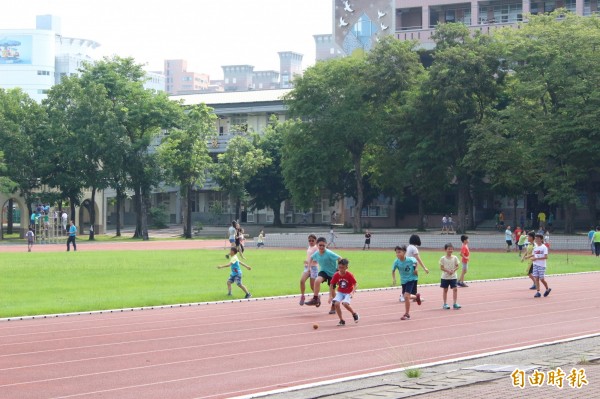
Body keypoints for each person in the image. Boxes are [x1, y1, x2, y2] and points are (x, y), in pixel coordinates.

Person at [304, 237, 342, 311]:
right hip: (324, 271)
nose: (321, 247)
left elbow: (340, 258)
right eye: (320, 245)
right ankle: (315, 298)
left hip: (332, 273)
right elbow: (311, 258)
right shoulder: (316, 253)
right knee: (317, 280)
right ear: (317, 245)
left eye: (323, 246)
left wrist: (338, 269)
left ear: (326, 245)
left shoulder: (329, 253)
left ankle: (333, 305)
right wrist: (309, 268)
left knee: (332, 291)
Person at [392, 245, 420, 320]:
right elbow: (393, 270)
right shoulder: (396, 262)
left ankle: (407, 314)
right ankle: (416, 297)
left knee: (406, 296)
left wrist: (416, 269)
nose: (397, 254)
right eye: (396, 252)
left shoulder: (410, 260)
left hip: (411, 279)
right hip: (403, 281)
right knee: (405, 296)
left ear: (404, 252)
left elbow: (416, 263)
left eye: (399, 252)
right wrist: (394, 279)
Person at [328, 258, 359, 326]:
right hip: (340, 292)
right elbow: (331, 284)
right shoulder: (336, 274)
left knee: (345, 303)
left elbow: (356, 284)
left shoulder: (349, 275)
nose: (341, 269)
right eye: (339, 267)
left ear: (346, 267)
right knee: (336, 304)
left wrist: (352, 292)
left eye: (342, 268)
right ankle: (341, 320)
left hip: (348, 292)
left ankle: (354, 314)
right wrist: (330, 296)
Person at [404, 234, 429, 302]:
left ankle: (408, 294)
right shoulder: (414, 248)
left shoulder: (408, 247)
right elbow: (418, 259)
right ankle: (414, 296)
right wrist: (424, 267)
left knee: (409, 281)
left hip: (407, 267)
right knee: (414, 280)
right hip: (412, 266)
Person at [528, 233, 551, 298]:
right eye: (536, 239)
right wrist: (530, 257)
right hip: (535, 265)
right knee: (537, 278)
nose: (537, 240)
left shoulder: (544, 247)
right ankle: (538, 292)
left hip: (541, 265)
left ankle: (547, 289)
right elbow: (533, 255)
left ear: (541, 239)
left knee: (542, 279)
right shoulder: (535, 247)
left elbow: (546, 257)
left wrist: (536, 258)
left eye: (538, 239)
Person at [440, 243, 461, 310]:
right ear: (446, 250)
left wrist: (453, 270)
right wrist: (448, 271)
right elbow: (441, 267)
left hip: (453, 276)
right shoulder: (443, 258)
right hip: (445, 277)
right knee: (445, 290)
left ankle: (455, 303)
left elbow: (457, 266)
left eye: (451, 249)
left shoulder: (455, 258)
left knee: (455, 289)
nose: (450, 250)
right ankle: (445, 304)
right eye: (449, 249)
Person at [299, 234, 319, 306]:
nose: (311, 242)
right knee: (302, 281)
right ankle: (302, 296)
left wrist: (311, 263)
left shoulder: (317, 248)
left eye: (312, 241)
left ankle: (316, 298)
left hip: (314, 268)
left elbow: (317, 259)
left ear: (315, 241)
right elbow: (309, 257)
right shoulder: (309, 247)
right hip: (307, 267)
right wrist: (306, 262)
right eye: (309, 240)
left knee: (312, 286)